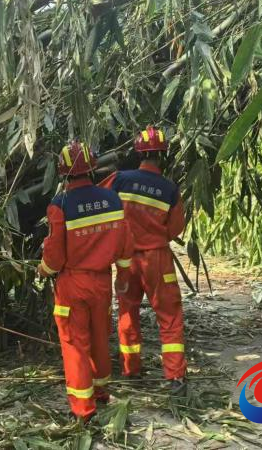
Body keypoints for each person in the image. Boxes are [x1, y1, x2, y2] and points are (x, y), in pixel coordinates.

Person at [38, 140, 134, 422]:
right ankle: (101, 392)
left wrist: (42, 270)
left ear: (63, 173)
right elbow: (125, 247)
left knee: (75, 343)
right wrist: (123, 279)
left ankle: (83, 408)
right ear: (93, 168)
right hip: (102, 281)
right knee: (99, 337)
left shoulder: (61, 205)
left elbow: (55, 257)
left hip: (73, 284)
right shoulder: (113, 200)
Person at [100, 126, 187, 391]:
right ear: (164, 155)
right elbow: (176, 228)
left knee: (128, 310)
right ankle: (174, 377)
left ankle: (131, 370)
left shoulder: (118, 180)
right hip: (157, 259)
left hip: (126, 259)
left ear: (137, 152)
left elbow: (98, 201)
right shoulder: (169, 189)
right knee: (169, 316)